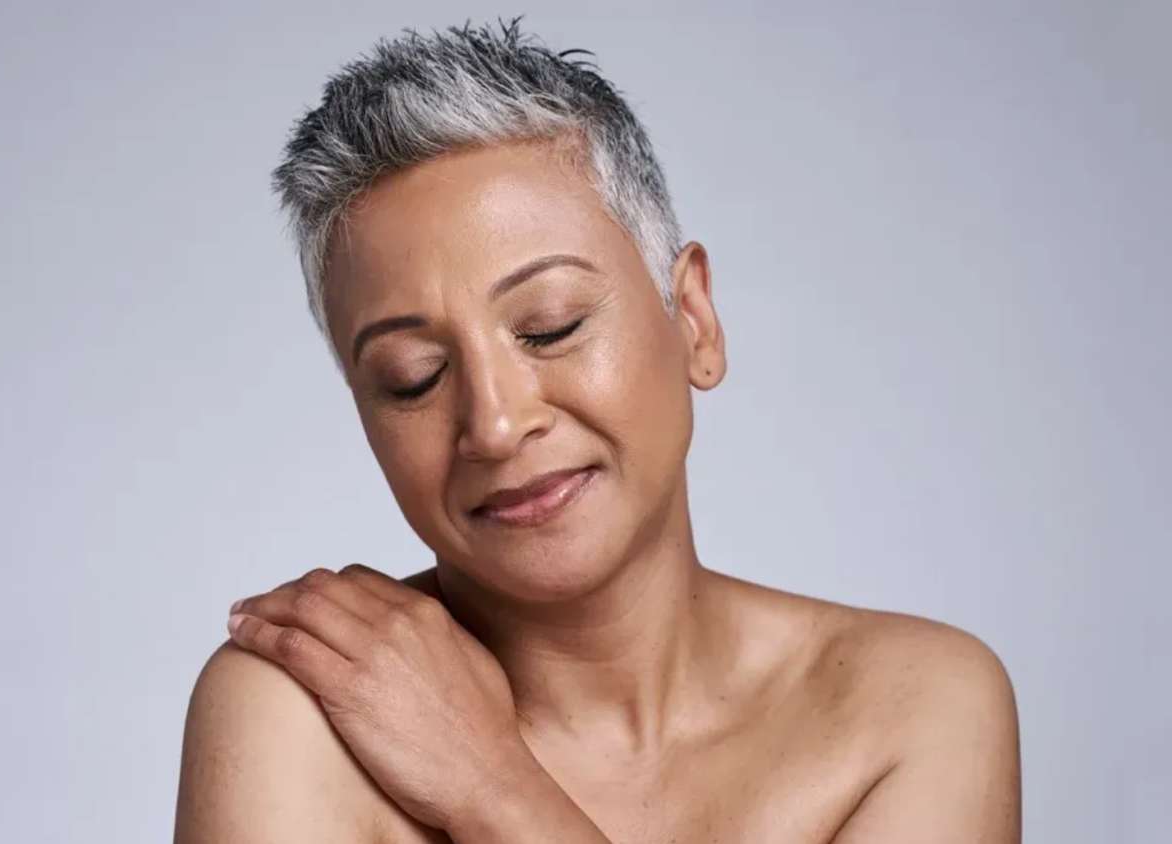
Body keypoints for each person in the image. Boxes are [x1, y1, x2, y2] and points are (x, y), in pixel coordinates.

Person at [174, 17, 1021, 843]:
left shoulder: (913, 710)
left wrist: (493, 790)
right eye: (414, 377)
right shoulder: (300, 712)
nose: (496, 424)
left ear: (694, 320)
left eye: (550, 327)